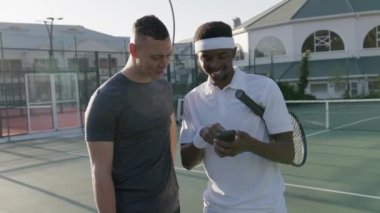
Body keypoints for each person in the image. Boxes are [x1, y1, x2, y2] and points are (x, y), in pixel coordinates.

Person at [179, 21, 294, 213]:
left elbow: (288, 153)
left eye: (222, 56)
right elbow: (187, 162)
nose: (214, 64)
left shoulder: (265, 88)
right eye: (206, 58)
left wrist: (249, 145)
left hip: (266, 207)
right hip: (215, 208)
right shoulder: (193, 99)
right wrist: (201, 136)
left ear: (233, 52)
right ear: (197, 58)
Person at [85, 15, 180, 213]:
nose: (164, 63)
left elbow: (170, 128)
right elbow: (100, 173)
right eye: (156, 57)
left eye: (168, 55)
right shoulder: (105, 99)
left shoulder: (164, 87)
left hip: (170, 206)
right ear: (133, 50)